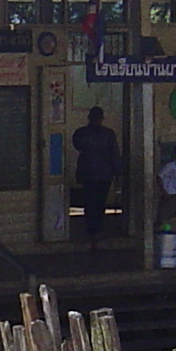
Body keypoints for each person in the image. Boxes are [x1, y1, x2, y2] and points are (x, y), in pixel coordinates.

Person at [70, 105, 120, 252]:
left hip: (89, 174)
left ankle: (92, 231)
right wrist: (118, 173)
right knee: (99, 203)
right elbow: (114, 155)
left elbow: (77, 145)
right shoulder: (108, 134)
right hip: (103, 175)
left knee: (90, 203)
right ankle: (97, 230)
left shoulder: (82, 133)